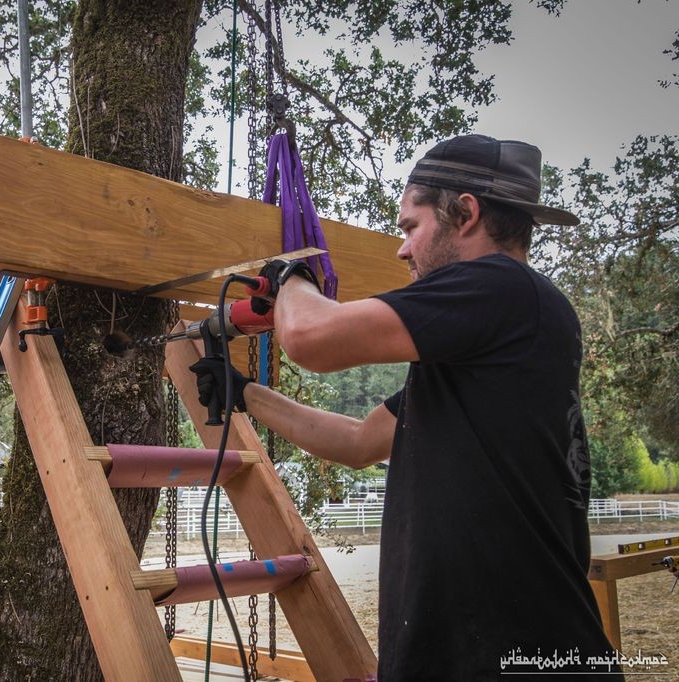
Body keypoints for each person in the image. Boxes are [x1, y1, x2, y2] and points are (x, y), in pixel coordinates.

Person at [191, 135, 622, 680]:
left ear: (465, 213)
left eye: (411, 227)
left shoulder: (500, 287)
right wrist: (245, 393)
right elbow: (357, 443)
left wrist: (289, 276)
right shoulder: (481, 344)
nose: (402, 249)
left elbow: (310, 339)